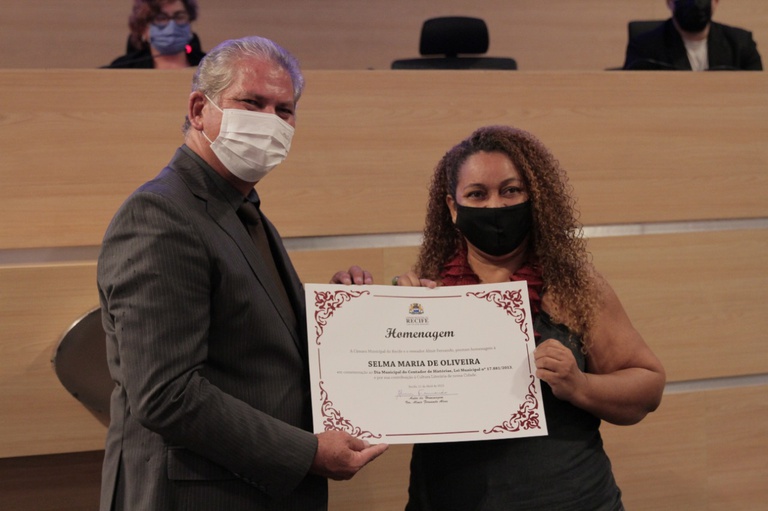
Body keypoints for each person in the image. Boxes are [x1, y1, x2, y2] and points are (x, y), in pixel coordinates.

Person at [97, 35, 387, 511]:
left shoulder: (240, 209)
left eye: (284, 110)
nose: (270, 121)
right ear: (199, 110)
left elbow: (254, 342)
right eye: (252, 103)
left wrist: (336, 313)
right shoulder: (161, 214)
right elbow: (166, 394)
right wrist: (307, 453)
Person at [394, 125, 666, 510]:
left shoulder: (574, 287)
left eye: (510, 191)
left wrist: (580, 385)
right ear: (453, 208)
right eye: (477, 194)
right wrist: (361, 305)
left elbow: (648, 386)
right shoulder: (425, 294)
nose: (495, 207)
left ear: (533, 196)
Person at [623, 0, 762, 70]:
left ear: (715, 2)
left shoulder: (741, 44)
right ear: (670, 2)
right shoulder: (644, 47)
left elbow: (757, 93)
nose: (695, 4)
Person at [105, 0, 206, 69]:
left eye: (179, 17)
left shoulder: (209, 67)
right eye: (161, 18)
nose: (172, 26)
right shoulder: (122, 68)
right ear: (144, 28)